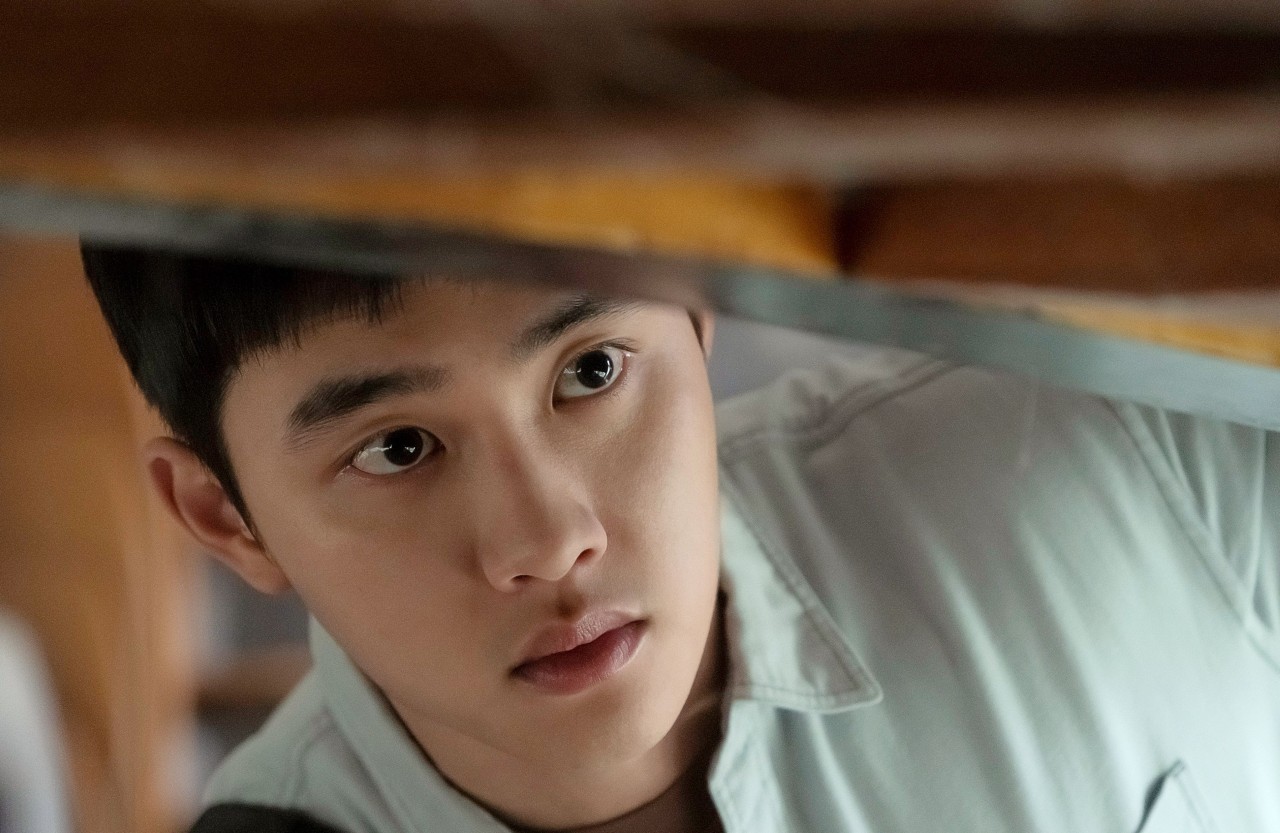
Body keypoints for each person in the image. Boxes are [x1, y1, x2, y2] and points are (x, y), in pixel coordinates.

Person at [82, 241, 1279, 833]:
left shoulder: (1098, 451)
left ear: (696, 319)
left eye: (592, 370)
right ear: (224, 516)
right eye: (396, 448)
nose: (548, 536)